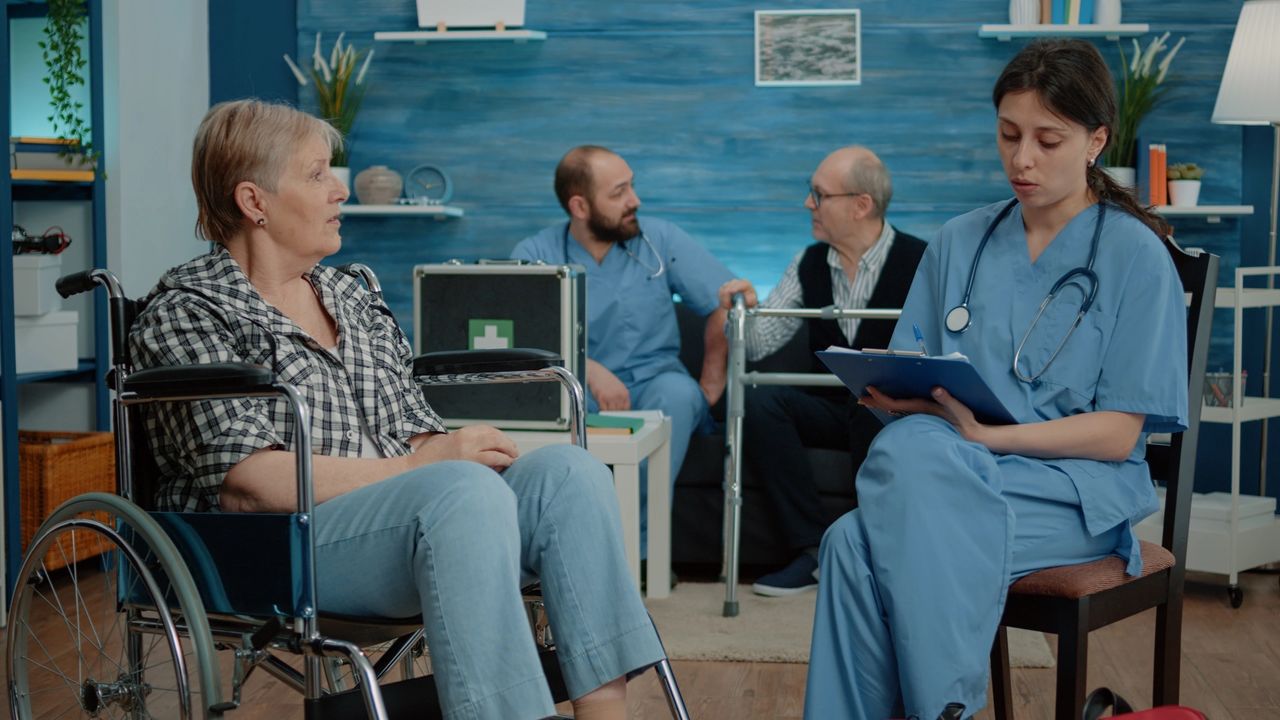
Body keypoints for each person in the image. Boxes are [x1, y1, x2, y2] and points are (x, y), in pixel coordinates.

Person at [131, 99, 665, 720]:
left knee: (570, 474)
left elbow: (411, 434)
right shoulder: (187, 313)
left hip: (411, 520)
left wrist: (446, 454)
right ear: (255, 202)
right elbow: (252, 485)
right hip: (281, 545)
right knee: (462, 492)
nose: (339, 191)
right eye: (317, 174)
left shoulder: (351, 296)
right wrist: (427, 468)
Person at [803, 39, 1187, 720]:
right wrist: (899, 398)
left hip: (1071, 493)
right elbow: (912, 366)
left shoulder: (1137, 256)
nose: (1021, 159)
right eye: (1009, 135)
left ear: (1096, 140)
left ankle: (942, 710)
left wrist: (989, 437)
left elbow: (1117, 434)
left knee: (856, 542)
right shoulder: (960, 241)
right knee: (896, 471)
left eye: (1047, 139)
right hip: (950, 467)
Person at [716, 146, 927, 597]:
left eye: (819, 194)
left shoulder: (923, 261)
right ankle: (811, 552)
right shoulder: (807, 262)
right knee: (759, 401)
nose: (808, 203)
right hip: (828, 408)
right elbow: (757, 345)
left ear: (861, 205)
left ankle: (873, 552)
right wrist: (746, 309)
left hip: (894, 411)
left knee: (869, 407)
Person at [511, 145, 735, 541]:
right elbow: (523, 333)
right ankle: (570, 541)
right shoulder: (535, 254)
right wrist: (587, 369)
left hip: (657, 381)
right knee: (556, 410)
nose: (635, 200)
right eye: (619, 193)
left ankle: (635, 550)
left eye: (631, 186)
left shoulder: (659, 239)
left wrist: (712, 381)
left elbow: (727, 300)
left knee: (679, 396)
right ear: (580, 206)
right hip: (578, 387)